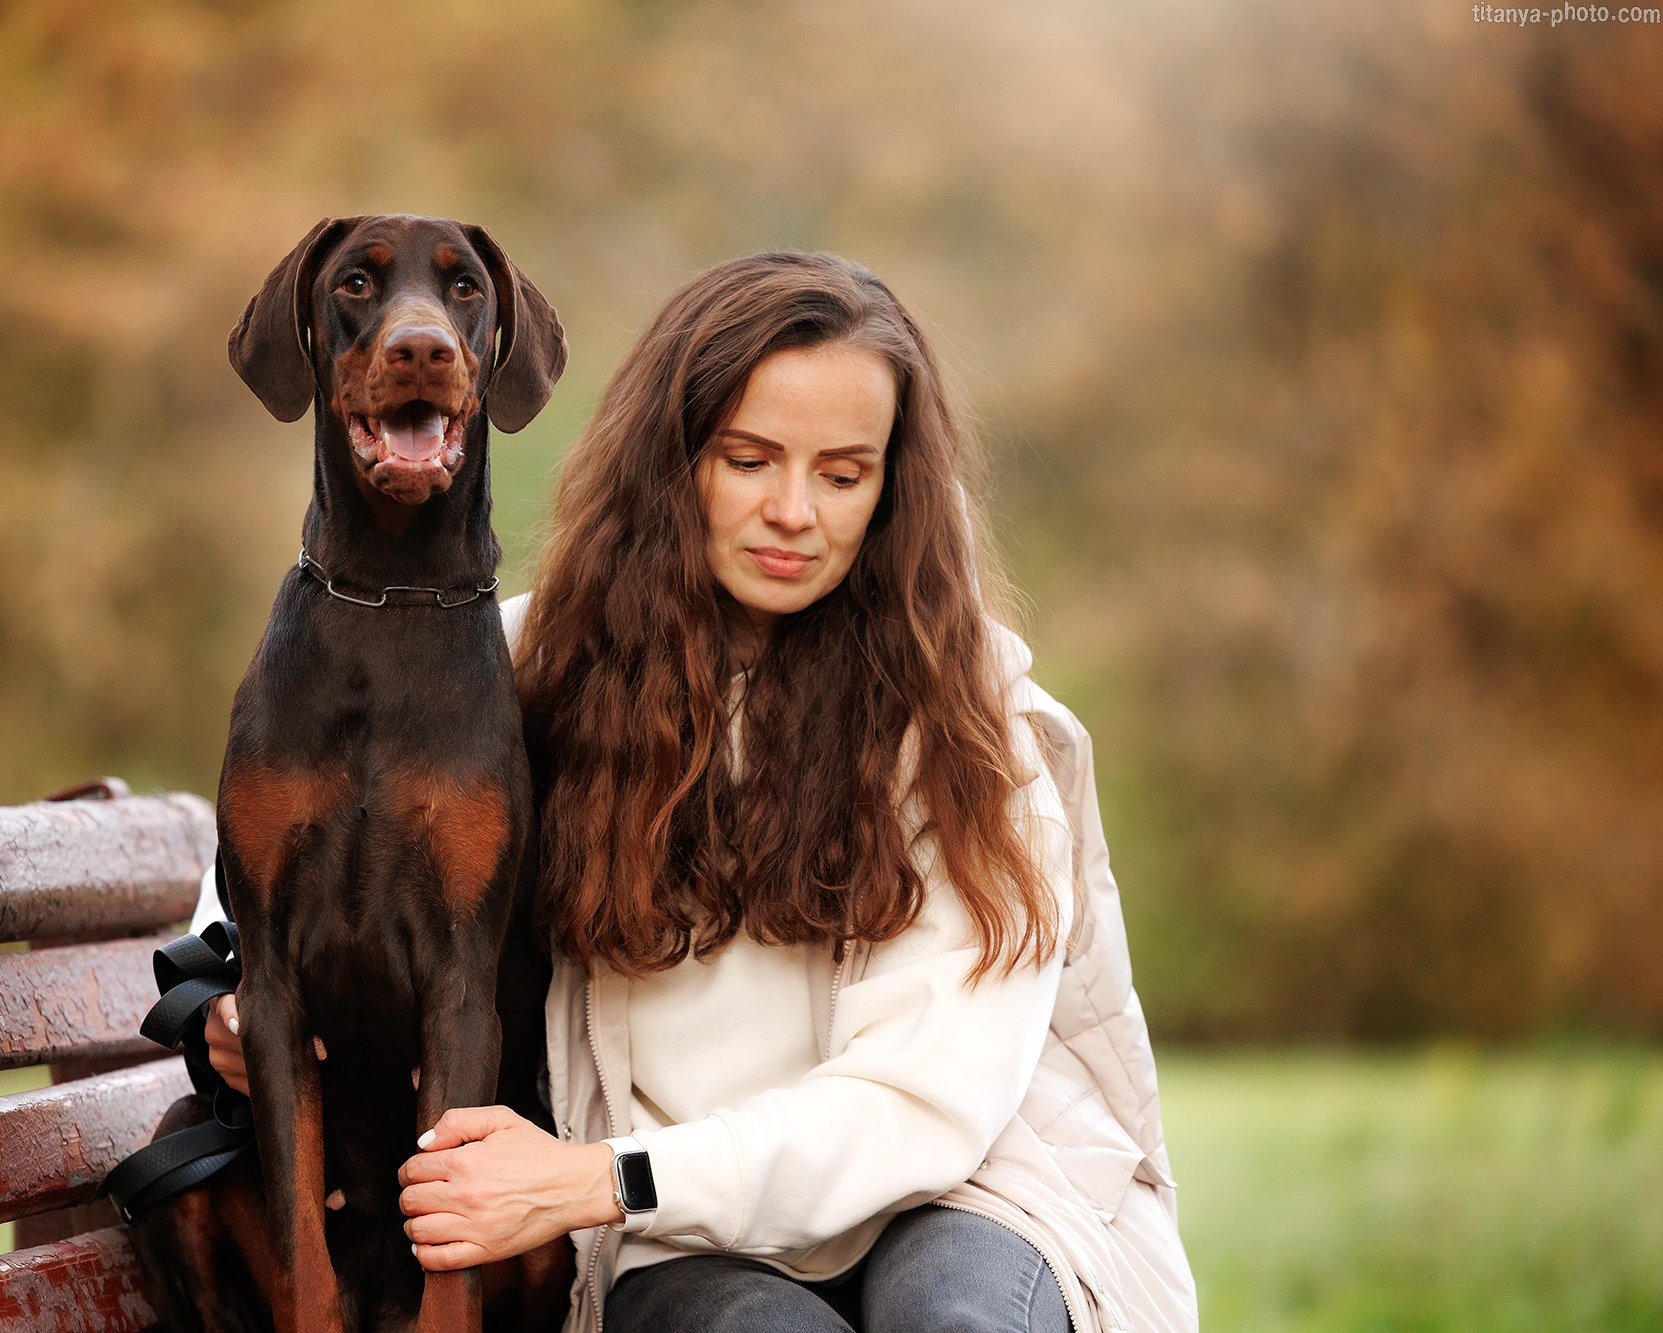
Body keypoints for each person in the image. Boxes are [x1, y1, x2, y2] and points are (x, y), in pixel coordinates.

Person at [191, 252, 1197, 1332]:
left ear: (892, 491)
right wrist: (221, 1007)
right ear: (671, 463)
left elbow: (918, 1110)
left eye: (843, 473)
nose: (792, 511)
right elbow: (263, 895)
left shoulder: (972, 726)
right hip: (676, 1237)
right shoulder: (523, 668)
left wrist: (593, 1179)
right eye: (748, 458)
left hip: (963, 1196)